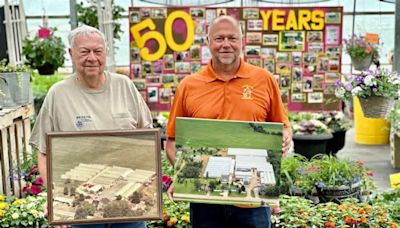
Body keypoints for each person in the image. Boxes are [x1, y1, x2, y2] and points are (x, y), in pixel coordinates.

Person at [165, 15, 292, 228]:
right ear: (208, 42)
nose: (226, 44)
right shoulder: (188, 86)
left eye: (232, 38)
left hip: (252, 200)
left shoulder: (264, 80)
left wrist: (285, 137)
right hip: (205, 199)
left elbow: (283, 126)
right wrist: (185, 172)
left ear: (242, 41)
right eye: (219, 38)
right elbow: (172, 141)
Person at [29, 25, 152, 228]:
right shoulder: (58, 94)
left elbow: (148, 141)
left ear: (106, 53)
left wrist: (149, 187)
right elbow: (44, 153)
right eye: (84, 51)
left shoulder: (125, 86)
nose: (92, 58)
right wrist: (54, 196)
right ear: (71, 54)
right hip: (79, 209)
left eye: (98, 51)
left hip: (129, 205)